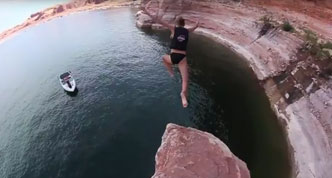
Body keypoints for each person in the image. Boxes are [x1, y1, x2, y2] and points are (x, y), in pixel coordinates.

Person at [143, 0, 199, 108]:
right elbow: (195, 26)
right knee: (185, 80)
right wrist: (197, 23)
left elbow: (158, 20)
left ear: (177, 24)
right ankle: (183, 94)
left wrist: (147, 11)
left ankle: (171, 73)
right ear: (184, 24)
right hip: (183, 58)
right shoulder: (187, 31)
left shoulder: (173, 28)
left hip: (174, 57)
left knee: (164, 58)